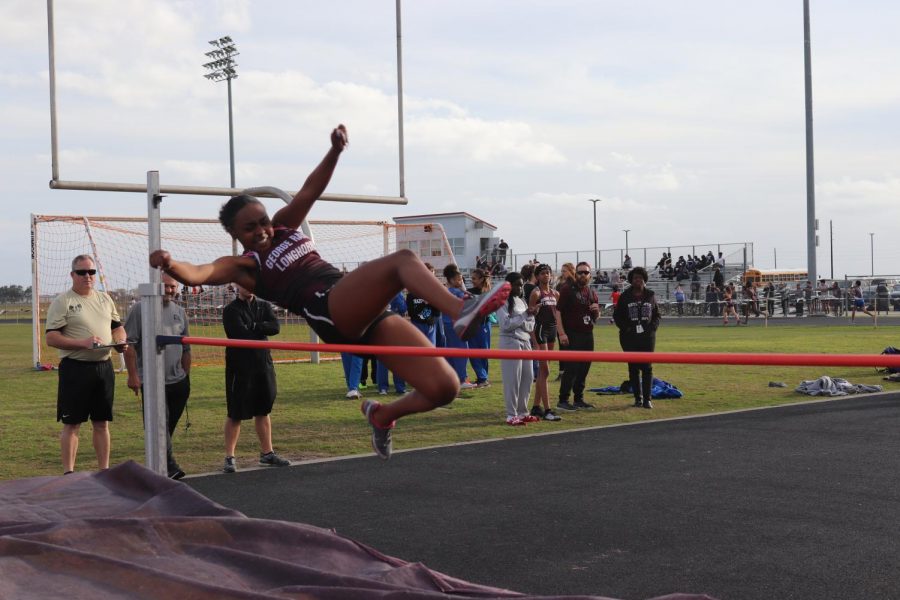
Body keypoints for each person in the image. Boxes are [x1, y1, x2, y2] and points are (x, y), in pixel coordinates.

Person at [151, 126, 512, 460]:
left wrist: (334, 152)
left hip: (359, 307)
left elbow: (311, 189)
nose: (261, 230)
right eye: (250, 228)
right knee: (402, 260)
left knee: (444, 387)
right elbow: (202, 272)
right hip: (330, 310)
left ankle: (383, 415)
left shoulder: (285, 227)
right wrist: (170, 263)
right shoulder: (245, 267)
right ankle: (460, 311)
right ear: (236, 233)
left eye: (263, 221)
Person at [45, 255, 128, 474]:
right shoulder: (63, 301)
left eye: (91, 272)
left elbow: (117, 327)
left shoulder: (105, 299)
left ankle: (104, 472)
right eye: (82, 272)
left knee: (101, 423)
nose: (87, 277)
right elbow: (51, 338)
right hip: (75, 368)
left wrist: (120, 341)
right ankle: (69, 473)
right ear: (72, 275)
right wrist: (82, 343)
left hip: (103, 367)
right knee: (72, 424)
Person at [123, 273, 191, 480]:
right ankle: (169, 467)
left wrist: (186, 375)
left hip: (178, 381)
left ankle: (157, 465)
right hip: (152, 381)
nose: (170, 290)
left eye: (173, 287)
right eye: (166, 286)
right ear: (156, 286)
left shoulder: (180, 311)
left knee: (166, 427)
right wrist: (133, 375)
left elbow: (186, 347)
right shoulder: (140, 309)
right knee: (159, 424)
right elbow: (129, 346)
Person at [222, 284, 291, 472]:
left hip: (263, 364)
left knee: (263, 409)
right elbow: (240, 333)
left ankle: (267, 453)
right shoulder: (230, 310)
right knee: (236, 412)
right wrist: (261, 328)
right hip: (240, 368)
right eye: (244, 283)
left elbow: (275, 327)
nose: (249, 287)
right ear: (236, 286)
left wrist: (254, 326)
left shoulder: (264, 306)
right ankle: (230, 457)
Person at [613, 267, 661, 409]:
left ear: (644, 279)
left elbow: (657, 315)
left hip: (647, 338)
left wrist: (652, 327)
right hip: (629, 338)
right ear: (631, 280)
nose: (637, 280)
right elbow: (617, 316)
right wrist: (627, 328)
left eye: (640, 277)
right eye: (635, 278)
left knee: (647, 368)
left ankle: (647, 399)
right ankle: (637, 398)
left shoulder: (650, 295)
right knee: (633, 368)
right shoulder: (625, 296)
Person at [556, 261, 601, 411]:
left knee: (584, 368)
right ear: (576, 274)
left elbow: (595, 317)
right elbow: (558, 312)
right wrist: (561, 333)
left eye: (586, 272)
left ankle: (578, 398)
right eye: (580, 272)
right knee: (571, 368)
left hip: (588, 333)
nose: (583, 275)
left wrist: (597, 311)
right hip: (572, 334)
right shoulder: (567, 290)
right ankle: (563, 400)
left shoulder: (591, 292)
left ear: (590, 275)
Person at [497, 272, 539, 425]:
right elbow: (506, 325)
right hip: (510, 342)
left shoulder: (521, 301)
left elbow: (530, 325)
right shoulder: (502, 301)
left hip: (525, 341)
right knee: (512, 380)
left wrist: (530, 315)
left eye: (521, 285)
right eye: (517, 285)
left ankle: (522, 412)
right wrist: (523, 317)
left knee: (527, 378)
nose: (520, 287)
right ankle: (511, 415)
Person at [529, 264, 562, 418]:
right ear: (537, 276)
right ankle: (547, 410)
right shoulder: (536, 293)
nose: (546, 276)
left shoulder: (556, 294)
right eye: (542, 273)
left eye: (547, 273)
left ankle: (536, 406)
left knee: (544, 371)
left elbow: (559, 314)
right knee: (546, 371)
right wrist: (534, 309)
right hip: (541, 330)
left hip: (552, 331)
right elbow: (530, 315)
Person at [465, 268, 493, 388]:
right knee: (473, 352)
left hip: (483, 326)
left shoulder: (487, 292)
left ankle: (483, 378)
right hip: (472, 325)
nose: (472, 281)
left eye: (474, 279)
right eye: (471, 278)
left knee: (483, 352)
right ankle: (482, 377)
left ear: (481, 279)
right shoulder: (469, 291)